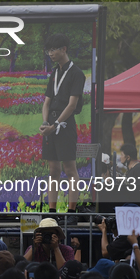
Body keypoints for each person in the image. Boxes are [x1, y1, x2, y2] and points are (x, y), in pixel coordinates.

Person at [39, 34, 85, 224]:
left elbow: (72, 105)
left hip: (65, 125)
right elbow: (46, 102)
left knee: (69, 168)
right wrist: (45, 123)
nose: (51, 54)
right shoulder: (54, 73)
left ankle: (72, 211)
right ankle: (51, 211)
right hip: (51, 124)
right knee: (53, 170)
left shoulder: (77, 73)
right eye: (49, 50)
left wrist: (56, 124)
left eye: (54, 49)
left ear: (64, 49)